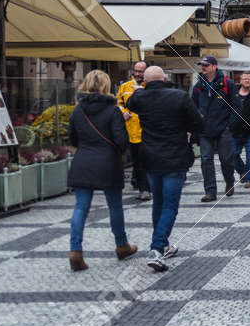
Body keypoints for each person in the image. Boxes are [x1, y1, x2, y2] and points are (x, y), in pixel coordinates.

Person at [126, 65, 203, 272]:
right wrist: (186, 129)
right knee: (169, 205)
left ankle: (164, 244)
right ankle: (156, 249)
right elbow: (197, 122)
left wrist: (140, 88)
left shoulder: (139, 98)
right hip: (175, 158)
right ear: (164, 78)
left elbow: (129, 102)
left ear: (146, 81)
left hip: (150, 158)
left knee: (158, 203)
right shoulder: (179, 97)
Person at [67, 70, 136, 271]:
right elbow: (122, 141)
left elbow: (72, 138)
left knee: (81, 207)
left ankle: (75, 251)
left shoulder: (77, 110)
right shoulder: (113, 110)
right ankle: (122, 245)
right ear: (106, 86)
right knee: (115, 206)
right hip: (108, 163)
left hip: (83, 161)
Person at [191, 55, 237, 202]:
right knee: (206, 160)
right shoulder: (198, 86)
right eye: (202, 65)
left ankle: (229, 180)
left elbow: (237, 107)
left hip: (224, 128)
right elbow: (193, 107)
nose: (203, 67)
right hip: (205, 129)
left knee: (226, 159)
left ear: (214, 67)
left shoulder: (227, 84)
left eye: (206, 65)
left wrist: (230, 125)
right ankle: (210, 191)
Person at [115, 61, 150, 201]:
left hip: (146, 130)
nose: (138, 73)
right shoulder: (125, 86)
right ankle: (139, 183)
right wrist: (123, 112)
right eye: (136, 70)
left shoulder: (149, 86)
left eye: (141, 71)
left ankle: (145, 188)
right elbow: (118, 103)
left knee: (144, 161)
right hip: (130, 130)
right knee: (137, 161)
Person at [230, 71, 250, 188]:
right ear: (240, 80)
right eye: (245, 78)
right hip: (235, 130)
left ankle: (249, 179)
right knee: (232, 154)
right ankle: (242, 171)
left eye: (249, 79)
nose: (247, 80)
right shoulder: (233, 93)